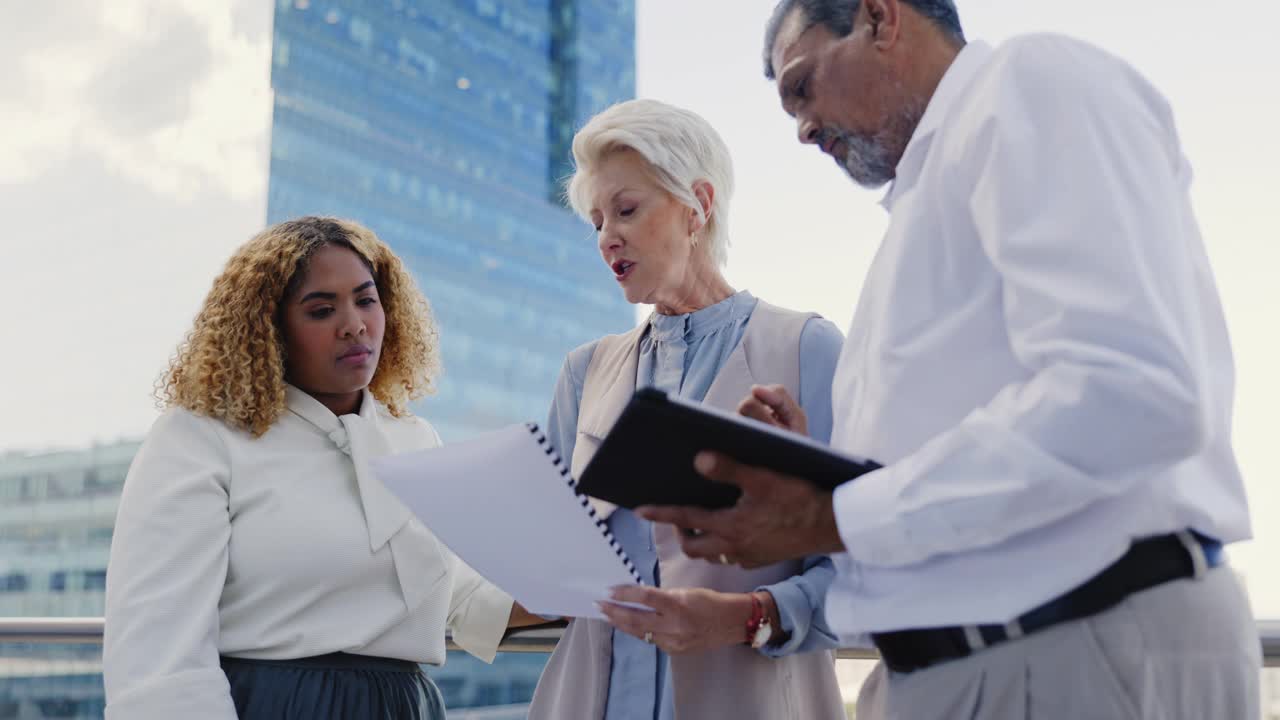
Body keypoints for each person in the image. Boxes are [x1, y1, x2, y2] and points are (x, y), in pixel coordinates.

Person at [639, 1, 1261, 717]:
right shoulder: (930, 193)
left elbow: (1130, 392)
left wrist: (835, 513)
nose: (804, 130)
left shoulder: (1026, 82)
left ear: (879, 18)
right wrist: (819, 467)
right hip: (982, 666)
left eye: (802, 87)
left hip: (1065, 653)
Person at [103, 216, 542, 719]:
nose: (354, 323)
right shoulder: (201, 437)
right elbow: (158, 652)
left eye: (366, 299)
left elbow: (454, 594)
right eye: (320, 309)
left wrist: (584, 588)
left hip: (406, 707)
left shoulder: (413, 439)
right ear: (268, 331)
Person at [527, 98, 847, 720]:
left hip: (754, 700)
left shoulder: (808, 349)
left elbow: (860, 565)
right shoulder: (582, 372)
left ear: (698, 205)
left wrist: (744, 619)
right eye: (595, 221)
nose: (606, 237)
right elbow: (556, 557)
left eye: (625, 210)